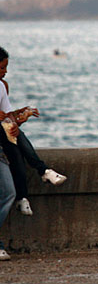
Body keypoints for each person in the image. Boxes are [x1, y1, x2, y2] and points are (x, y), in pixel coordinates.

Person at [0, 46, 67, 218]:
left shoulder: (2, 86)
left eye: (6, 67)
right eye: (2, 68)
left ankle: (24, 195)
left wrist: (20, 119)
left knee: (16, 144)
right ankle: (42, 172)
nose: (5, 72)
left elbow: (7, 117)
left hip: (3, 138)